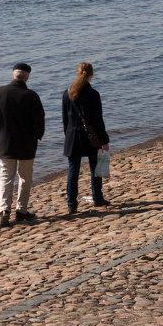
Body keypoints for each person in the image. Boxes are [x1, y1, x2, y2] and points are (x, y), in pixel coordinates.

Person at [0, 62, 45, 227]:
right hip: (27, 143)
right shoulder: (31, 96)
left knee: (6, 177)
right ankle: (21, 211)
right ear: (27, 77)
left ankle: (4, 210)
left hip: (5, 142)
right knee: (25, 177)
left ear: (13, 75)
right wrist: (38, 135)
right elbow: (39, 120)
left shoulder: (0, 92)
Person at [63, 61, 111, 213]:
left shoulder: (67, 93)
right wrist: (104, 140)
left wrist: (68, 136)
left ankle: (71, 204)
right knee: (94, 168)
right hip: (91, 136)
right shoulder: (93, 94)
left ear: (77, 73)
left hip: (72, 136)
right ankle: (97, 198)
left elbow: (65, 119)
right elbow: (98, 120)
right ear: (91, 75)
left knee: (73, 170)